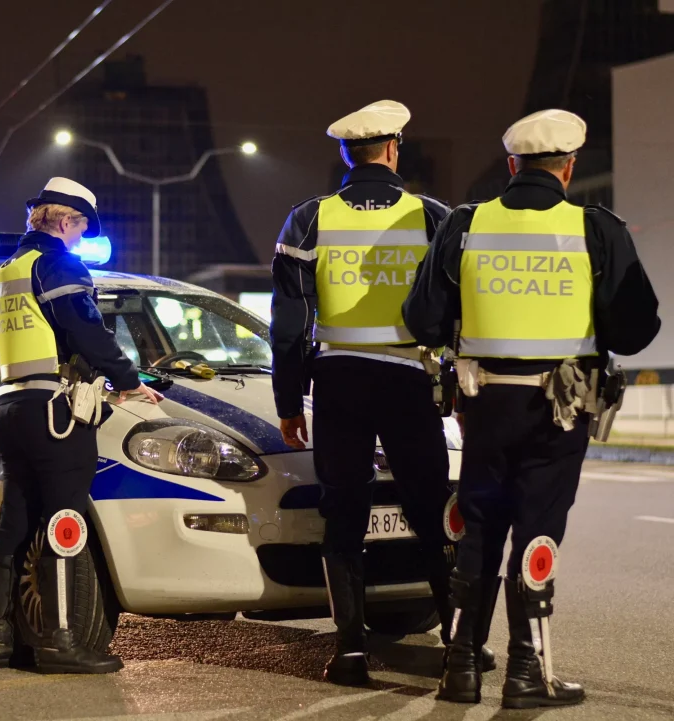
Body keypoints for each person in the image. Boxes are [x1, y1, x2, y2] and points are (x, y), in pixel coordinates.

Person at [403, 109, 660, 708]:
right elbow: (636, 327)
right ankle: (526, 674)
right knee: (538, 528)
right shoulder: (596, 229)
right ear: (568, 168)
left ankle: (460, 669)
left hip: (482, 403)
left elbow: (422, 319)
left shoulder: (466, 224)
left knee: (479, 526)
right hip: (559, 410)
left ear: (512, 166)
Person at [269, 100, 492, 685]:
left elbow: (289, 326)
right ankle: (458, 643)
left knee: (344, 512)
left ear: (346, 154)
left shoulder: (309, 219)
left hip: (338, 383)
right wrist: (464, 394)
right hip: (409, 381)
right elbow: (464, 312)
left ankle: (348, 652)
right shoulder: (433, 217)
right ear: (395, 149)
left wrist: (289, 403)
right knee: (429, 509)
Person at [0, 177, 163, 674]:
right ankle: (61, 642)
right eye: (80, 228)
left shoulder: (6, 272)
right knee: (64, 523)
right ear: (65, 222)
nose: (81, 238)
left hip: (13, 407)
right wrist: (128, 381)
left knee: (15, 523)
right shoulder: (58, 263)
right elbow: (85, 329)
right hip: (53, 411)